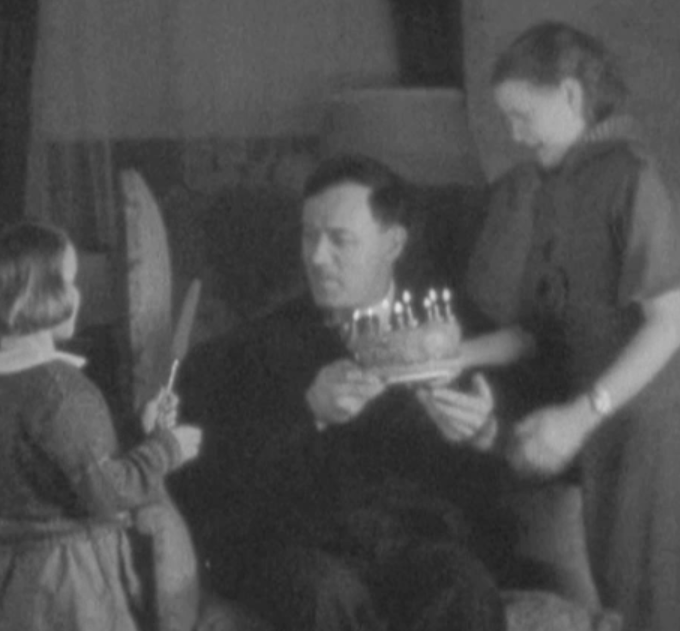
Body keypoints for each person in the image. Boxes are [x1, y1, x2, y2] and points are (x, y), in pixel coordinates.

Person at [432, 20, 680, 631]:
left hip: (655, 430)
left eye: (521, 115)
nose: (514, 135)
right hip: (604, 427)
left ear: (570, 95)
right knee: (617, 594)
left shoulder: (636, 178)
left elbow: (667, 327)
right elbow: (539, 330)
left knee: (660, 603)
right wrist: (449, 355)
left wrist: (580, 414)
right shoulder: (555, 187)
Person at [174, 154, 508, 631]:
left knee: (464, 586)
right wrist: (307, 412)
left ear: (393, 244)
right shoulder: (255, 348)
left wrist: (484, 435)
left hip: (413, 544)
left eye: (340, 240)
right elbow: (211, 477)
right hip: (303, 546)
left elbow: (499, 474)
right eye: (309, 236)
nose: (316, 257)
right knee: (323, 592)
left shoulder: (451, 333)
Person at [0, 222, 203, 631]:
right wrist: (166, 448)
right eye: (70, 282)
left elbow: (59, 460)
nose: (78, 295)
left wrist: (138, 428)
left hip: (20, 574)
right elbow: (107, 492)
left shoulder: (0, 374)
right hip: (71, 581)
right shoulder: (61, 390)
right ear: (36, 295)